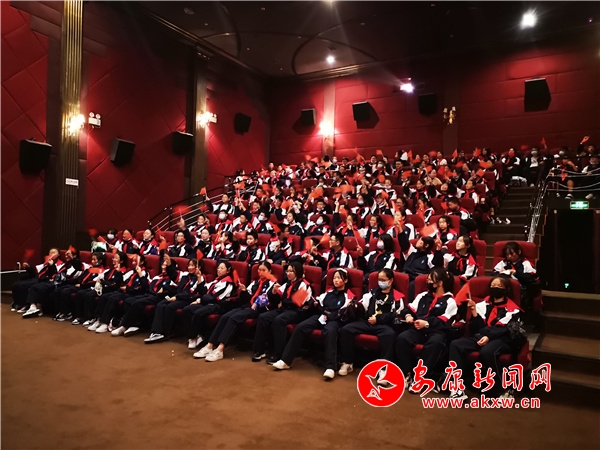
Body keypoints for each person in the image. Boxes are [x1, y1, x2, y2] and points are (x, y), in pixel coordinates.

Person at [442, 276, 522, 399]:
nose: (496, 288)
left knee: (488, 351)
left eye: (499, 286)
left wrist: (488, 335)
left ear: (506, 289)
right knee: (456, 344)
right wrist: (474, 312)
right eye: (493, 286)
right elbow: (477, 328)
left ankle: (505, 387)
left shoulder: (512, 309)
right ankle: (456, 387)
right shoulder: (482, 305)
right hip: (482, 337)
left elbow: (504, 329)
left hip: (502, 339)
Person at [272, 268, 353, 380]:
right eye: (334, 278)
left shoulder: (348, 295)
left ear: (345, 280)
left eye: (339, 278)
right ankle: (285, 360)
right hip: (321, 316)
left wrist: (329, 316)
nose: (335, 280)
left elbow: (344, 311)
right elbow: (319, 302)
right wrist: (314, 303)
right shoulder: (328, 292)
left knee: (330, 332)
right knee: (301, 327)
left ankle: (330, 367)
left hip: (335, 320)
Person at [194, 261, 278, 361]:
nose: (261, 272)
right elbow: (246, 299)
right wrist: (244, 291)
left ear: (270, 271)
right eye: (259, 270)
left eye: (264, 270)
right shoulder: (255, 282)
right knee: (225, 316)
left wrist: (273, 293)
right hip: (247, 306)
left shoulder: (273, 283)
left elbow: (273, 301)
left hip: (259, 309)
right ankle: (210, 345)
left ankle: (220, 349)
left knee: (234, 318)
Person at [395, 268, 457, 393]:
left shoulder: (450, 301)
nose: (427, 281)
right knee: (402, 338)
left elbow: (445, 322)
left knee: (435, 343)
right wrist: (408, 315)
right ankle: (407, 373)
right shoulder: (422, 296)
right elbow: (408, 309)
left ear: (440, 283)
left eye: (430, 279)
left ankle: (421, 378)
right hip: (418, 328)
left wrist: (427, 323)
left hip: (436, 331)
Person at [338, 269, 404, 375]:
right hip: (367, 322)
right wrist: (356, 306)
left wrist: (378, 319)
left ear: (391, 280)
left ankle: (384, 369)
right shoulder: (372, 293)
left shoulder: (397, 297)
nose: (380, 282)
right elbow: (363, 304)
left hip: (384, 325)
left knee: (390, 335)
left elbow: (396, 314)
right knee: (346, 329)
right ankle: (348, 362)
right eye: (379, 279)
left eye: (383, 280)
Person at [251, 261, 313, 363]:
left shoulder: (304, 285)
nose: (288, 273)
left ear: (297, 272)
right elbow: (275, 299)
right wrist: (274, 292)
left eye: (291, 271)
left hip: (297, 312)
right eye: (287, 271)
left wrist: (282, 301)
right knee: (263, 317)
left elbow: (296, 302)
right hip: (284, 309)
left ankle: (279, 353)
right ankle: (260, 350)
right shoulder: (287, 283)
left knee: (279, 320)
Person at [112, 255, 179, 337]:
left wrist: (163, 289)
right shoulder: (157, 277)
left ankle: (125, 325)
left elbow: (173, 289)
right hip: (149, 294)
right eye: (163, 265)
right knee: (129, 300)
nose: (163, 267)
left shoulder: (173, 279)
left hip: (159, 297)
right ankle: (132, 324)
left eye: (166, 265)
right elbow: (148, 287)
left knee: (138, 303)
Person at [144, 259, 205, 344]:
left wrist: (177, 297)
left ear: (198, 267)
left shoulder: (200, 278)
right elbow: (177, 284)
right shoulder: (185, 276)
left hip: (187, 300)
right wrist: (175, 295)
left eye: (192, 265)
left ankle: (165, 333)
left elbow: (193, 294)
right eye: (189, 265)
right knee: (161, 304)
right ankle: (156, 331)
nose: (190, 267)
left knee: (170, 307)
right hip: (177, 297)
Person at [182, 260, 236, 350]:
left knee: (198, 313)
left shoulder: (228, 283)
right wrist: (199, 277)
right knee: (187, 309)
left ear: (228, 270)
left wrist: (200, 300)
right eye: (218, 268)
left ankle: (193, 337)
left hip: (218, 305)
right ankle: (197, 335)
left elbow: (214, 297)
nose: (219, 270)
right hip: (207, 303)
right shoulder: (216, 280)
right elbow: (203, 291)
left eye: (222, 268)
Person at [91, 254, 148, 334]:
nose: (133, 263)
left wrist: (139, 274)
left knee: (113, 298)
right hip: (123, 291)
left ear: (141, 262)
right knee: (105, 296)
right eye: (132, 261)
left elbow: (144, 287)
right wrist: (118, 273)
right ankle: (99, 319)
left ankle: (106, 323)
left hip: (133, 293)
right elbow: (120, 282)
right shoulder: (131, 272)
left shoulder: (144, 273)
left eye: (135, 261)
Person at [492, 241, 540, 319]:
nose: (509, 256)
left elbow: (532, 278)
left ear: (519, 252)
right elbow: (493, 274)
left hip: (522, 289)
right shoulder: (504, 263)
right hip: (505, 288)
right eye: (507, 254)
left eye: (512, 254)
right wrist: (500, 273)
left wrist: (516, 273)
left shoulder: (525, 263)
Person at [86, 252, 129, 331]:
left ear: (121, 261)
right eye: (113, 258)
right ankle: (98, 319)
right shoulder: (110, 270)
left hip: (117, 290)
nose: (113, 260)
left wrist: (117, 273)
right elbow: (103, 279)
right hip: (107, 289)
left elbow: (117, 284)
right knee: (97, 295)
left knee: (107, 297)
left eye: (116, 258)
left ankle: (105, 322)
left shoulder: (124, 271)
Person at [12, 248, 61, 314]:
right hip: (38, 278)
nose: (51, 254)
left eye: (54, 252)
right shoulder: (45, 263)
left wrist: (52, 265)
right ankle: (20, 303)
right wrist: (28, 267)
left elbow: (55, 274)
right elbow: (35, 272)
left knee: (34, 287)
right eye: (50, 253)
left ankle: (30, 306)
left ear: (58, 254)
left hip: (47, 281)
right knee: (18, 284)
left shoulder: (60, 264)